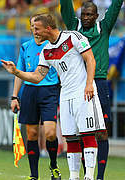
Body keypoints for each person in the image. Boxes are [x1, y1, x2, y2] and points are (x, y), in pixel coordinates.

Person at [1, 14, 106, 180]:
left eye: (36, 28)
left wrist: (89, 84)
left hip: (83, 91)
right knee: (70, 137)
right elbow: (37, 77)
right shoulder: (46, 51)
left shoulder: (73, 37)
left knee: (87, 134)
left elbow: (90, 60)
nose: (33, 31)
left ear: (47, 28)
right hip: (65, 95)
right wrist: (17, 72)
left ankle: (90, 177)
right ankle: (73, 176)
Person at [60, 1, 124, 179]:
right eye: (83, 14)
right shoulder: (74, 27)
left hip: (100, 83)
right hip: (79, 85)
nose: (86, 18)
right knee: (81, 132)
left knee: (102, 131)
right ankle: (85, 173)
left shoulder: (104, 27)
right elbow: (65, 6)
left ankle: (100, 176)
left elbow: (116, 6)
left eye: (90, 15)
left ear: (96, 16)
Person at [10, 15, 61, 180]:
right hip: (29, 92)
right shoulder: (26, 47)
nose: (34, 29)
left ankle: (53, 166)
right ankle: (34, 175)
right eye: (31, 26)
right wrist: (14, 96)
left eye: (36, 26)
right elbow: (19, 72)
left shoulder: (52, 45)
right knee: (31, 134)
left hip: (49, 91)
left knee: (50, 133)